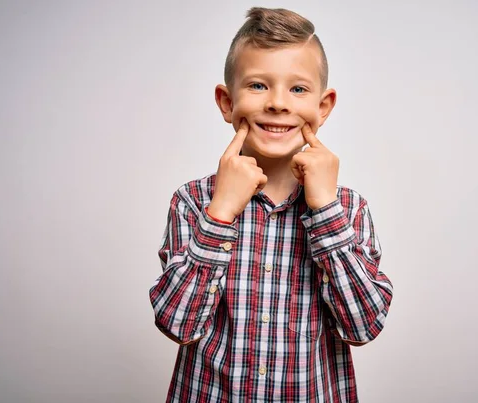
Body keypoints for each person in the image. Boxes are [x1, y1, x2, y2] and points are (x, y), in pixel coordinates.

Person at [149, 7, 393, 402]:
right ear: (227, 102)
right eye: (259, 85)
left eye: (298, 89)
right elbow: (178, 323)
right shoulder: (193, 202)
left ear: (323, 106)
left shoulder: (348, 208)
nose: (279, 103)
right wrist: (221, 212)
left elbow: (363, 327)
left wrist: (324, 211)